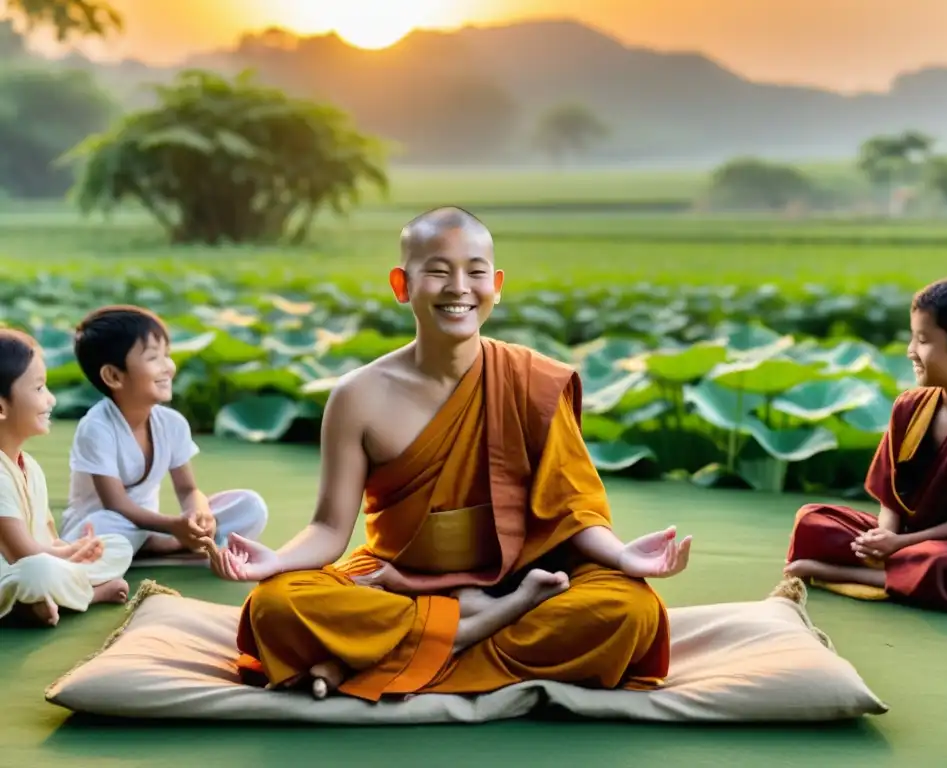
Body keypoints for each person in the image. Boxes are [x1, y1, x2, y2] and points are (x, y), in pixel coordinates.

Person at [204, 207, 692, 701]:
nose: (459, 287)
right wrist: (277, 562)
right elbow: (330, 529)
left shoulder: (531, 380)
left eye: (475, 272)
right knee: (277, 606)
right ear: (402, 284)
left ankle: (379, 656)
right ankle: (479, 622)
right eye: (438, 271)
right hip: (398, 577)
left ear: (496, 285)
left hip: (524, 574)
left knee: (629, 609)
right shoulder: (358, 396)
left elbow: (574, 510)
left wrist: (622, 553)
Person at [785, 274, 947, 615]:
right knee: (811, 519)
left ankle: (841, 573)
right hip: (905, 534)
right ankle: (888, 567)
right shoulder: (909, 406)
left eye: (923, 340)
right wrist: (882, 538)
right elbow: (890, 490)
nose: (911, 351)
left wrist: (899, 544)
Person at [58, 306, 269, 563]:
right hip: (106, 527)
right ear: (114, 376)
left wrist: (199, 514)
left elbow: (187, 488)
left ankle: (163, 544)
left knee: (250, 506)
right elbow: (117, 504)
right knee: (102, 527)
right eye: (153, 358)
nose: (168, 367)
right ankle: (166, 545)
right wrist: (172, 526)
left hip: (151, 526)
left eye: (166, 355)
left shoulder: (172, 423)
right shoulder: (96, 427)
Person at [0, 329, 132, 627]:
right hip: (18, 569)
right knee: (39, 573)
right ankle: (90, 594)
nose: (51, 399)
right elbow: (20, 553)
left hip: (33, 564)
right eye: (38, 389)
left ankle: (33, 604)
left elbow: (46, 540)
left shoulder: (29, 467)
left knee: (116, 546)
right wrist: (71, 556)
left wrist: (73, 550)